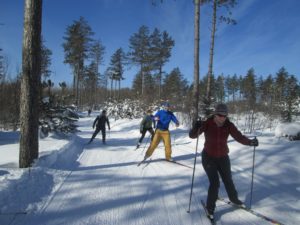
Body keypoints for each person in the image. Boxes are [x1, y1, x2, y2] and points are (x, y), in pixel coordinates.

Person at [189, 103, 258, 220]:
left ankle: (234, 199)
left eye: (224, 115)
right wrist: (196, 126)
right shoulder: (207, 123)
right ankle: (210, 209)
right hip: (208, 157)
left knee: (228, 180)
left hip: (223, 157)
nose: (222, 117)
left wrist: (250, 142)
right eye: (220, 115)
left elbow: (239, 136)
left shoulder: (229, 125)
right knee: (215, 183)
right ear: (215, 114)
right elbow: (192, 136)